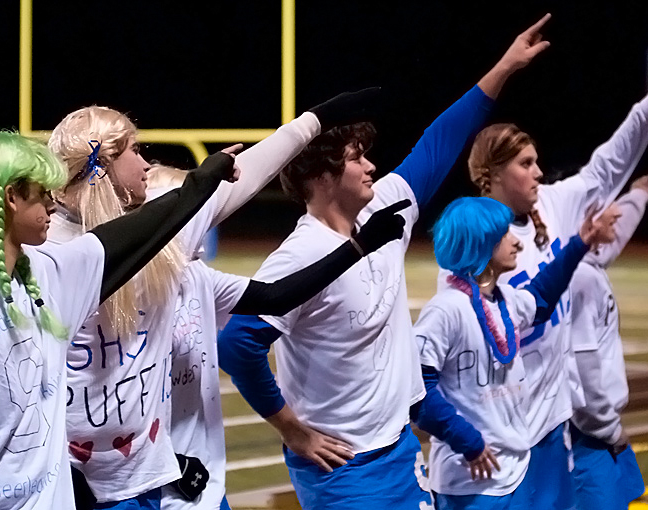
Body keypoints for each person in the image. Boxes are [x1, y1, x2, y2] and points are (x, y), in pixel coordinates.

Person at [217, 15, 552, 509]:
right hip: (342, 469)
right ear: (324, 176)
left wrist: (503, 67)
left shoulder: (385, 204)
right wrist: (292, 430)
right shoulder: (302, 253)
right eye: (357, 157)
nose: (372, 165)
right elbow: (238, 344)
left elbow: (441, 139)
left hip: (399, 450)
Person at [46, 90, 396, 510]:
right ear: (103, 163)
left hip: (148, 482)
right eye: (135, 150)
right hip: (75, 487)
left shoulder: (166, 251)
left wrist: (316, 120)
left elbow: (247, 180)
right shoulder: (54, 259)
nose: (144, 164)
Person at [0, 130, 239, 510]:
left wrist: (204, 180)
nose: (54, 206)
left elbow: (135, 234)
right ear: (10, 198)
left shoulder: (48, 273)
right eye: (42, 194)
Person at [451, 62, 648, 509]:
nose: (539, 172)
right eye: (526, 163)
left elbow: (607, 166)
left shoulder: (554, 206)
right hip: (511, 424)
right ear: (493, 175)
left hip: (559, 420)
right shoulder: (473, 240)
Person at [412, 196, 610, 509]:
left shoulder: (503, 300)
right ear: (481, 243)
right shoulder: (445, 310)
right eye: (505, 234)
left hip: (514, 472)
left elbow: (541, 298)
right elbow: (418, 389)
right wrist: (468, 441)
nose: (517, 242)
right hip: (469, 480)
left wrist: (580, 243)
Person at [569, 168, 648, 509]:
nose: (616, 214)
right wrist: (611, 430)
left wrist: (638, 196)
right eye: (606, 210)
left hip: (598, 433)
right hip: (590, 436)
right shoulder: (581, 279)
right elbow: (582, 372)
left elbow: (610, 240)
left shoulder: (587, 265)